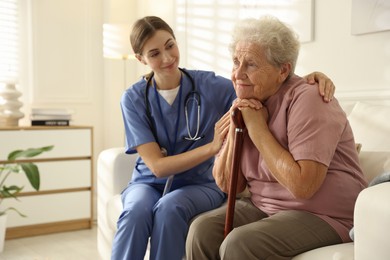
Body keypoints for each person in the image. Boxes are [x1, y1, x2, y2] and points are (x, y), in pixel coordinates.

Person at [111, 16, 337, 260]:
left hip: (198, 182)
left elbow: (272, 80)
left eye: (170, 45)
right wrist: (213, 147)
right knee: (135, 211)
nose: (166, 58)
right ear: (140, 59)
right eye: (154, 53)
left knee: (169, 209)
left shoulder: (211, 86)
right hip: (148, 182)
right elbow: (157, 166)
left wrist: (308, 78)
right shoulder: (133, 98)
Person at [185, 16, 368, 260]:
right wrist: (237, 122)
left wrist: (257, 129)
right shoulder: (247, 102)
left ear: (283, 70)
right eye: (236, 62)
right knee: (201, 230)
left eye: (250, 64)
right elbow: (229, 186)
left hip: (326, 214)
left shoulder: (309, 98)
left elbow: (304, 186)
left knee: (240, 244)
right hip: (266, 207)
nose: (238, 74)